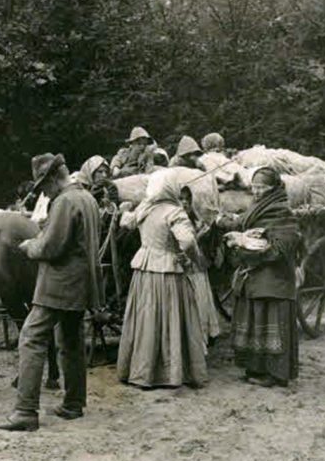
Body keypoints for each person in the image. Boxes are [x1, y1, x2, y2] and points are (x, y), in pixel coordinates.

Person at [0, 153, 102, 431]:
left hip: (59, 283)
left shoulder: (64, 201)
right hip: (81, 282)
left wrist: (30, 246)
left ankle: (25, 411)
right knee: (72, 339)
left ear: (53, 178)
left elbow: (52, 247)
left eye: (42, 185)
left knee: (30, 337)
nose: (42, 191)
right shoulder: (87, 198)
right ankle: (74, 403)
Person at [116, 170, 208, 389]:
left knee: (146, 316)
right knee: (170, 316)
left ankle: (142, 372)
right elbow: (186, 241)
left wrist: (124, 210)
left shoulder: (145, 209)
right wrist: (195, 259)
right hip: (168, 270)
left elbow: (126, 223)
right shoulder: (175, 212)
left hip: (145, 269)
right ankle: (171, 372)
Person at [217, 166, 301, 387]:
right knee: (254, 322)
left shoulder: (282, 212)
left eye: (262, 187)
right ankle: (255, 368)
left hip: (274, 276)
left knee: (269, 322)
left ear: (274, 188)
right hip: (254, 274)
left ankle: (275, 374)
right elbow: (243, 223)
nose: (257, 191)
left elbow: (282, 247)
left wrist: (243, 243)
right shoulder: (257, 207)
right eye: (254, 186)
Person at [179, 186, 221, 346]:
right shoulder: (174, 220)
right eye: (181, 199)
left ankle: (202, 336)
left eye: (187, 200)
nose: (184, 203)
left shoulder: (197, 221)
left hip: (196, 268)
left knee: (200, 302)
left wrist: (203, 234)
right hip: (183, 269)